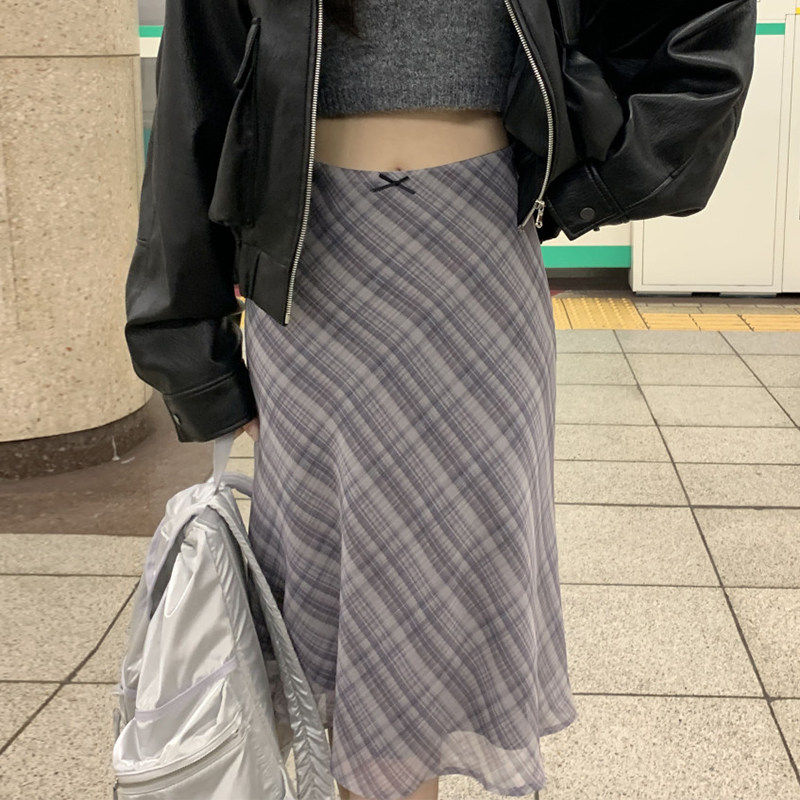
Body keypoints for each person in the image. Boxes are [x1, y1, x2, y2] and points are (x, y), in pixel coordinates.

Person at [123, 1, 757, 798]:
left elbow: (700, 30)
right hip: (314, 282)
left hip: (479, 263)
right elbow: (199, 93)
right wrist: (193, 355)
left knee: (454, 581)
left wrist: (604, 179)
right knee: (339, 596)